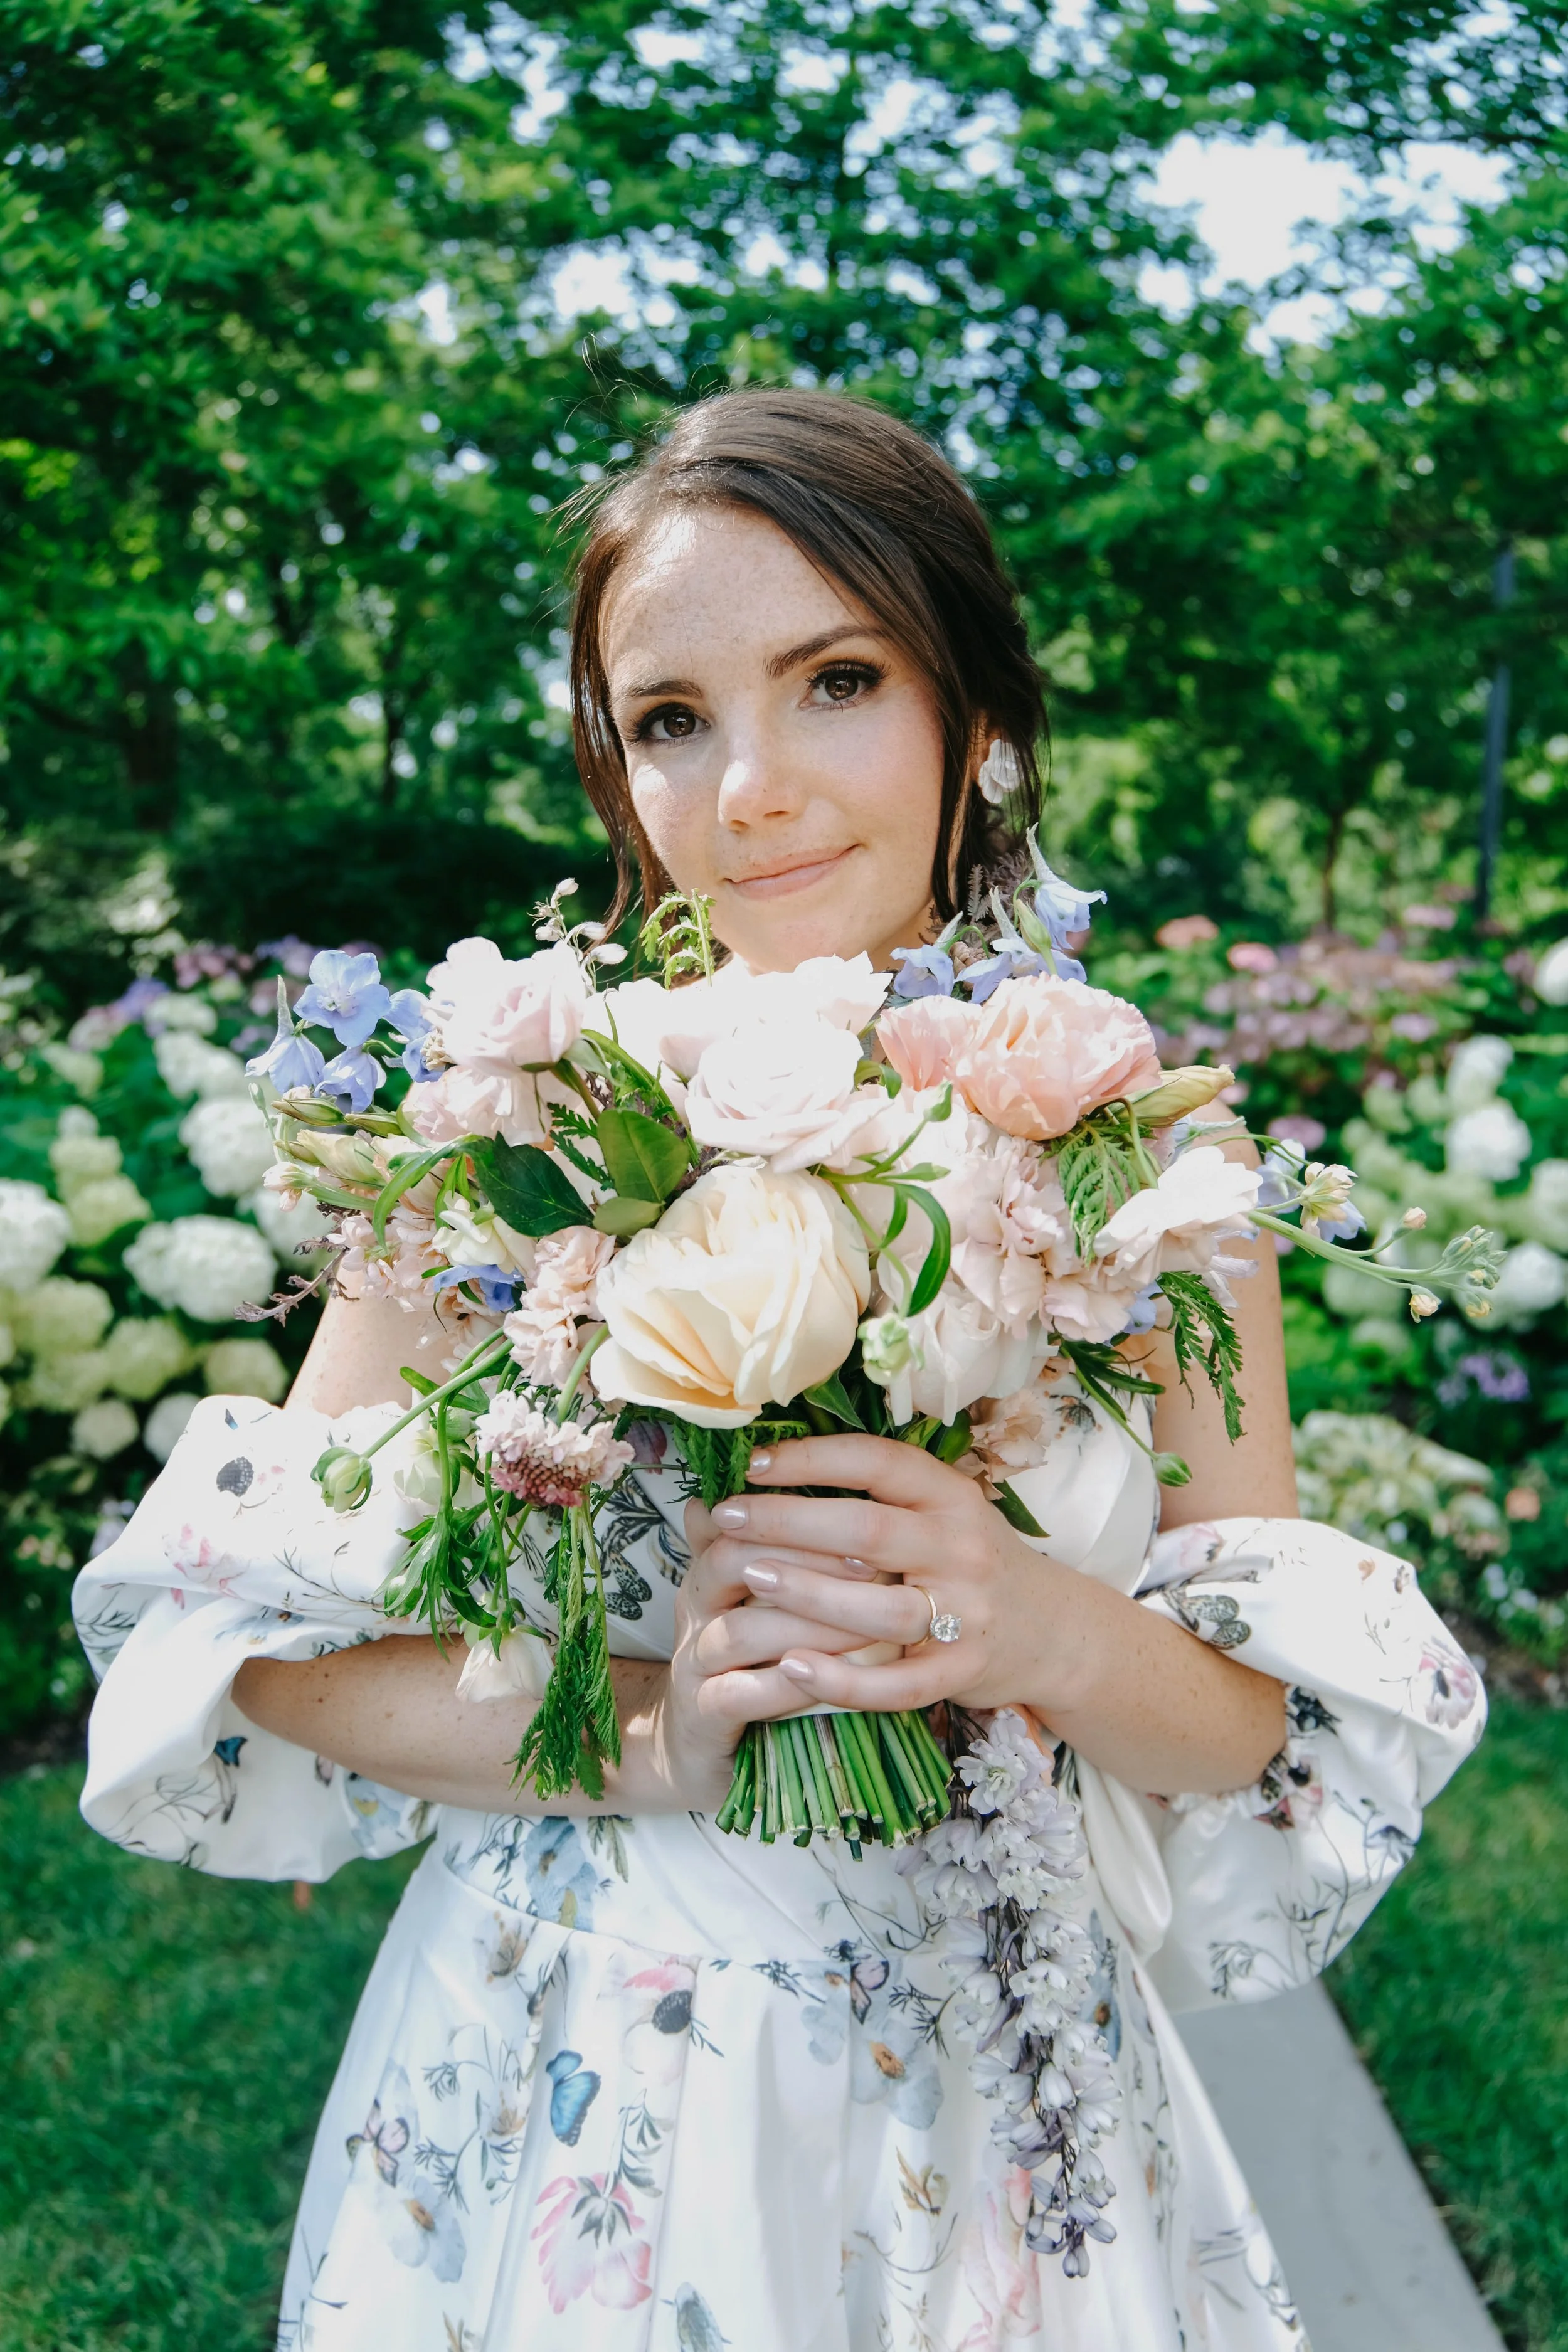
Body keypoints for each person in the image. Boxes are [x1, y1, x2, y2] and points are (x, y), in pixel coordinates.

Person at [74, 389, 1485, 2352]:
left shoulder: (1147, 1165)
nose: (748, 784)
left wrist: (1030, 1624)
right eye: (668, 717)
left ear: (969, 721)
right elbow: (274, 1665)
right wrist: (656, 1726)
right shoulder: (483, 1146)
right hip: (579, 2056)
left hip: (1010, 2086)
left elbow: (1263, 1735)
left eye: (834, 679)